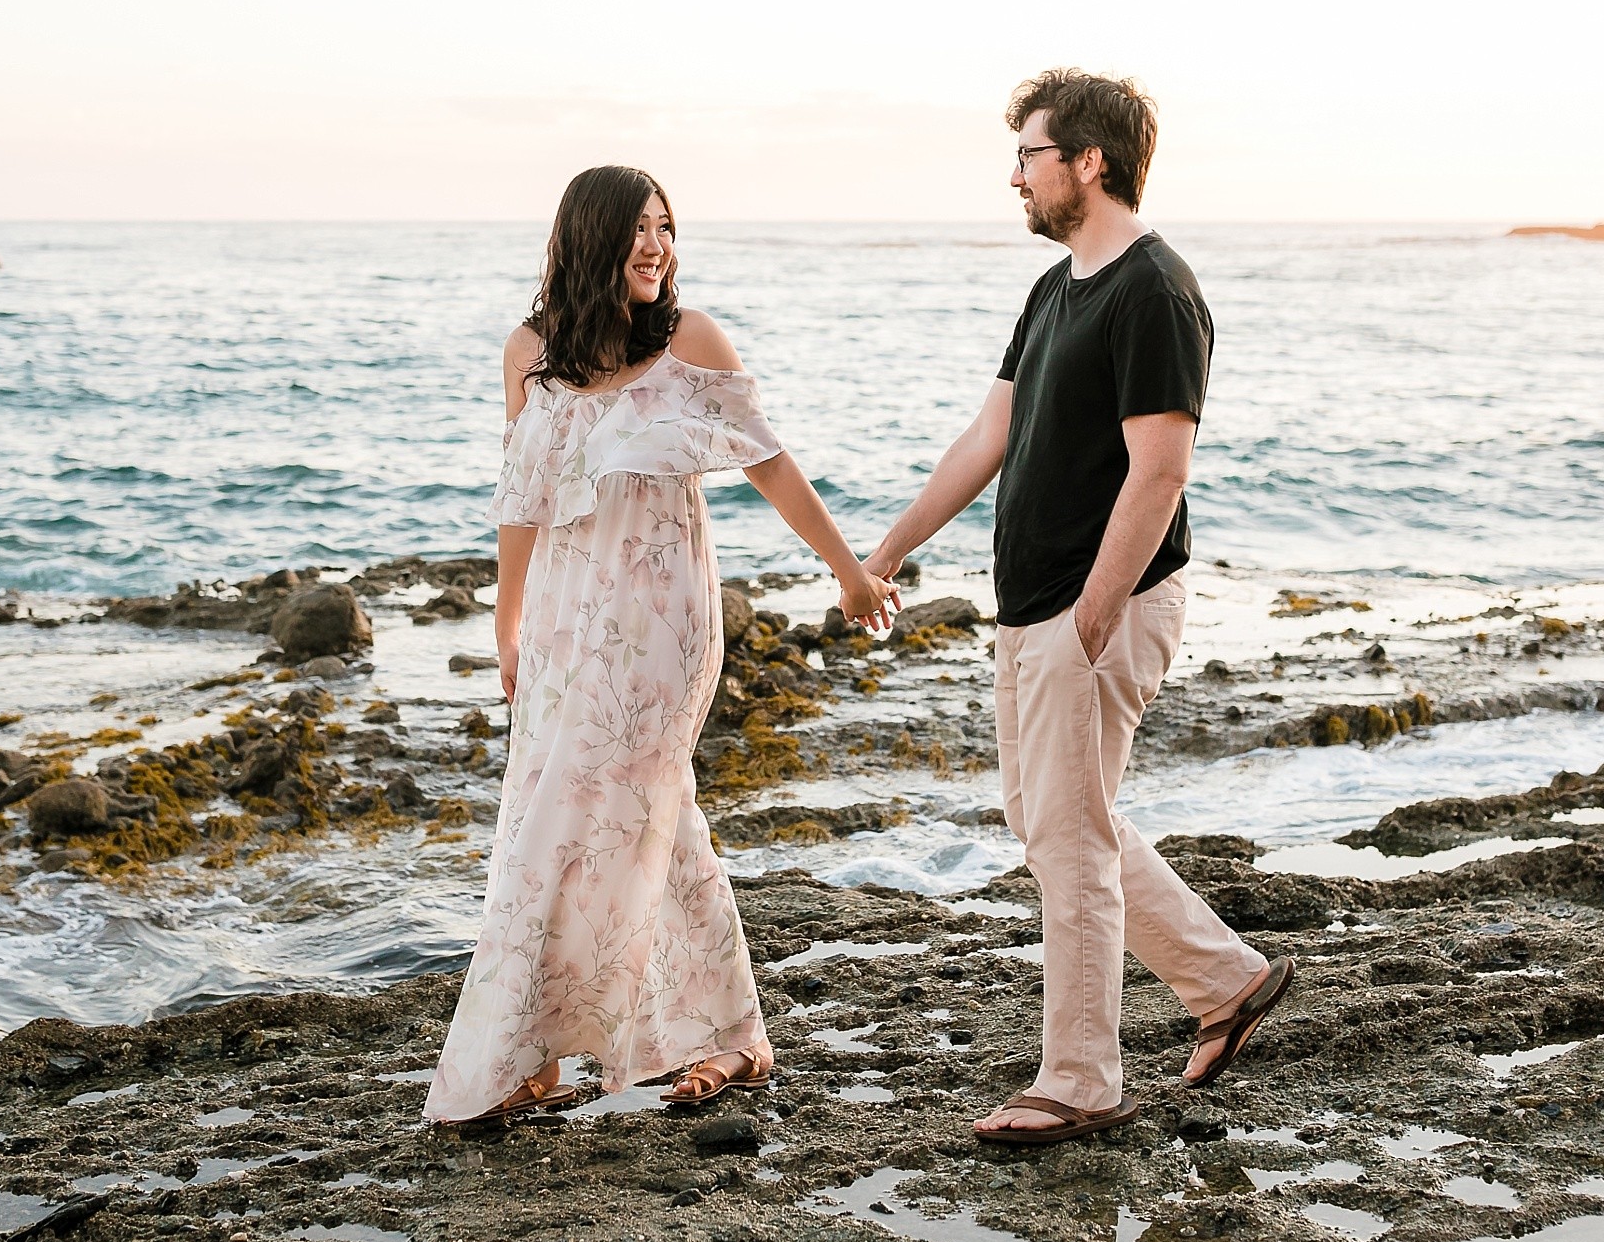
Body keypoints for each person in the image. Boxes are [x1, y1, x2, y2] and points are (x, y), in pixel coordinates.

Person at [863, 69, 1292, 1146]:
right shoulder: (1058, 287)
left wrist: (1097, 610)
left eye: (1029, 154)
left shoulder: (1154, 288)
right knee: (1052, 819)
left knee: (1065, 837)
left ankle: (1082, 1078)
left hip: (1097, 607)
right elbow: (988, 436)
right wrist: (882, 552)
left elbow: (1160, 469)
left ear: (1087, 163)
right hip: (1035, 605)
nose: (1015, 174)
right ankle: (1226, 980)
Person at [423, 164, 899, 1126]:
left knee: (589, 815)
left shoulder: (691, 344)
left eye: (667, 226)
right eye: (639, 228)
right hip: (562, 626)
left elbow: (771, 465)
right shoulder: (529, 353)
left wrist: (849, 573)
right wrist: (505, 627)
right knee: (616, 821)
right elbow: (522, 501)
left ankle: (532, 1053)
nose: (658, 245)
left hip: (662, 627)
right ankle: (712, 1037)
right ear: (588, 239)